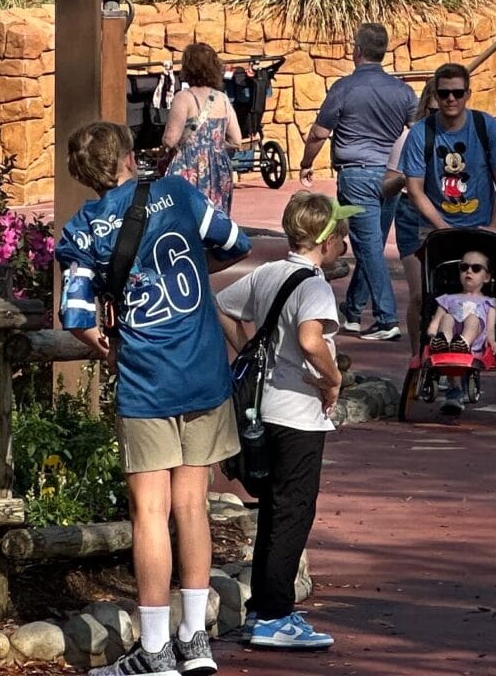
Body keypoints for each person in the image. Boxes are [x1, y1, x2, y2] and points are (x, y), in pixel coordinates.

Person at [57, 119, 250, 676]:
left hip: (146, 380)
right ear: (126, 158)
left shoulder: (85, 227)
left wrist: (108, 351)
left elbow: (75, 315)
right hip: (203, 371)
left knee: (150, 512)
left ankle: (156, 649)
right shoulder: (180, 193)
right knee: (192, 506)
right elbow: (235, 241)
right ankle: (196, 642)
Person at [218, 191, 350, 653]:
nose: (345, 244)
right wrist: (332, 381)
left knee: (273, 507)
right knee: (294, 511)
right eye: (341, 236)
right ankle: (276, 614)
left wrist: (247, 348)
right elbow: (311, 339)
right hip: (298, 414)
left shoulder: (269, 273)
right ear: (327, 240)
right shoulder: (314, 285)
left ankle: (262, 607)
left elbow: (225, 305)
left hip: (265, 408)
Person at [299, 23, 418, 340]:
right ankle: (352, 311)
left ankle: (385, 318)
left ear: (358, 50)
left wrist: (306, 162)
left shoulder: (344, 87)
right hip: (391, 175)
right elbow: (418, 133)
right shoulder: (403, 91)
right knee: (372, 245)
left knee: (368, 248)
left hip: (357, 173)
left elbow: (320, 132)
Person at [398, 63, 496, 328]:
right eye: (444, 93)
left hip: (480, 227)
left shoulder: (486, 127)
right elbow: (415, 190)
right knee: (425, 298)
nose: (451, 99)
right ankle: (420, 357)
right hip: (434, 228)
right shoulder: (421, 133)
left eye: (458, 93)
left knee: (483, 296)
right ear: (436, 95)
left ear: (468, 94)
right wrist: (443, 229)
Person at [163, 43, 242, 218]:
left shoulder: (183, 98)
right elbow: (237, 140)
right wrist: (214, 147)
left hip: (189, 165)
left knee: (185, 218)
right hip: (218, 169)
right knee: (214, 218)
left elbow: (170, 139)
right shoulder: (222, 99)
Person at [428, 247, 496, 416]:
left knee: (473, 318)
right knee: (447, 318)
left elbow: (490, 328)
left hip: (473, 340)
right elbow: (435, 322)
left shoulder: (488, 302)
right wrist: (431, 336)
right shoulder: (447, 298)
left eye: (476, 268)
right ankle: (443, 342)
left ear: (487, 277)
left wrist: (493, 340)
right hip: (449, 336)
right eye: (464, 267)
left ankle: (462, 344)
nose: (469, 271)